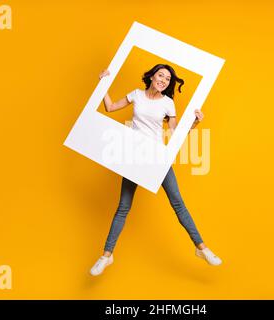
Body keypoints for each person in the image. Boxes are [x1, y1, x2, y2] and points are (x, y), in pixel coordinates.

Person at [90, 64, 222, 276]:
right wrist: (102, 84)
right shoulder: (136, 94)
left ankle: (202, 249)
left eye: (168, 79)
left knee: (178, 203)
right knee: (123, 207)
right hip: (133, 157)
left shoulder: (168, 103)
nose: (163, 80)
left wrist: (194, 124)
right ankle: (106, 256)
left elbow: (175, 132)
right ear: (151, 76)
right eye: (160, 75)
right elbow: (110, 107)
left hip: (156, 158)